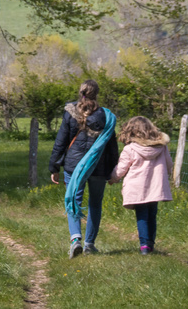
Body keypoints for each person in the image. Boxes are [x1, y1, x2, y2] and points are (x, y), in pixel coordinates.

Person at [49, 79, 119, 258]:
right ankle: (89, 244)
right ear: (97, 94)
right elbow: (111, 146)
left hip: (74, 166)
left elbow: (61, 141)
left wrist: (54, 167)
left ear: (81, 92)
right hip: (98, 165)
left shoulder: (70, 113)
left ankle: (75, 240)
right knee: (95, 203)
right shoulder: (106, 116)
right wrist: (113, 169)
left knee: (73, 200)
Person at [108, 116, 174, 255]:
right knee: (152, 215)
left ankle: (144, 245)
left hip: (137, 188)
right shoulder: (161, 147)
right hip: (156, 186)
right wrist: (168, 174)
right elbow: (169, 164)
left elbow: (121, 168)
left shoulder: (130, 149)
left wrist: (113, 178)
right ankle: (150, 244)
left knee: (142, 215)